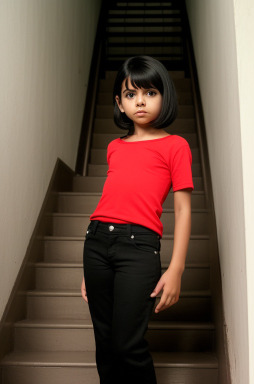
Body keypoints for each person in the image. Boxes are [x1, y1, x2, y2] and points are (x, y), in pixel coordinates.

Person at [81, 55, 194, 384]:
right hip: (97, 243)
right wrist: (91, 269)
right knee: (105, 344)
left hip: (139, 247)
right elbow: (111, 198)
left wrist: (176, 268)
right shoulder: (114, 146)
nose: (140, 101)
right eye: (131, 94)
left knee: (128, 345)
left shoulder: (176, 146)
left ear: (165, 96)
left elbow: (184, 209)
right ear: (119, 102)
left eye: (150, 92)